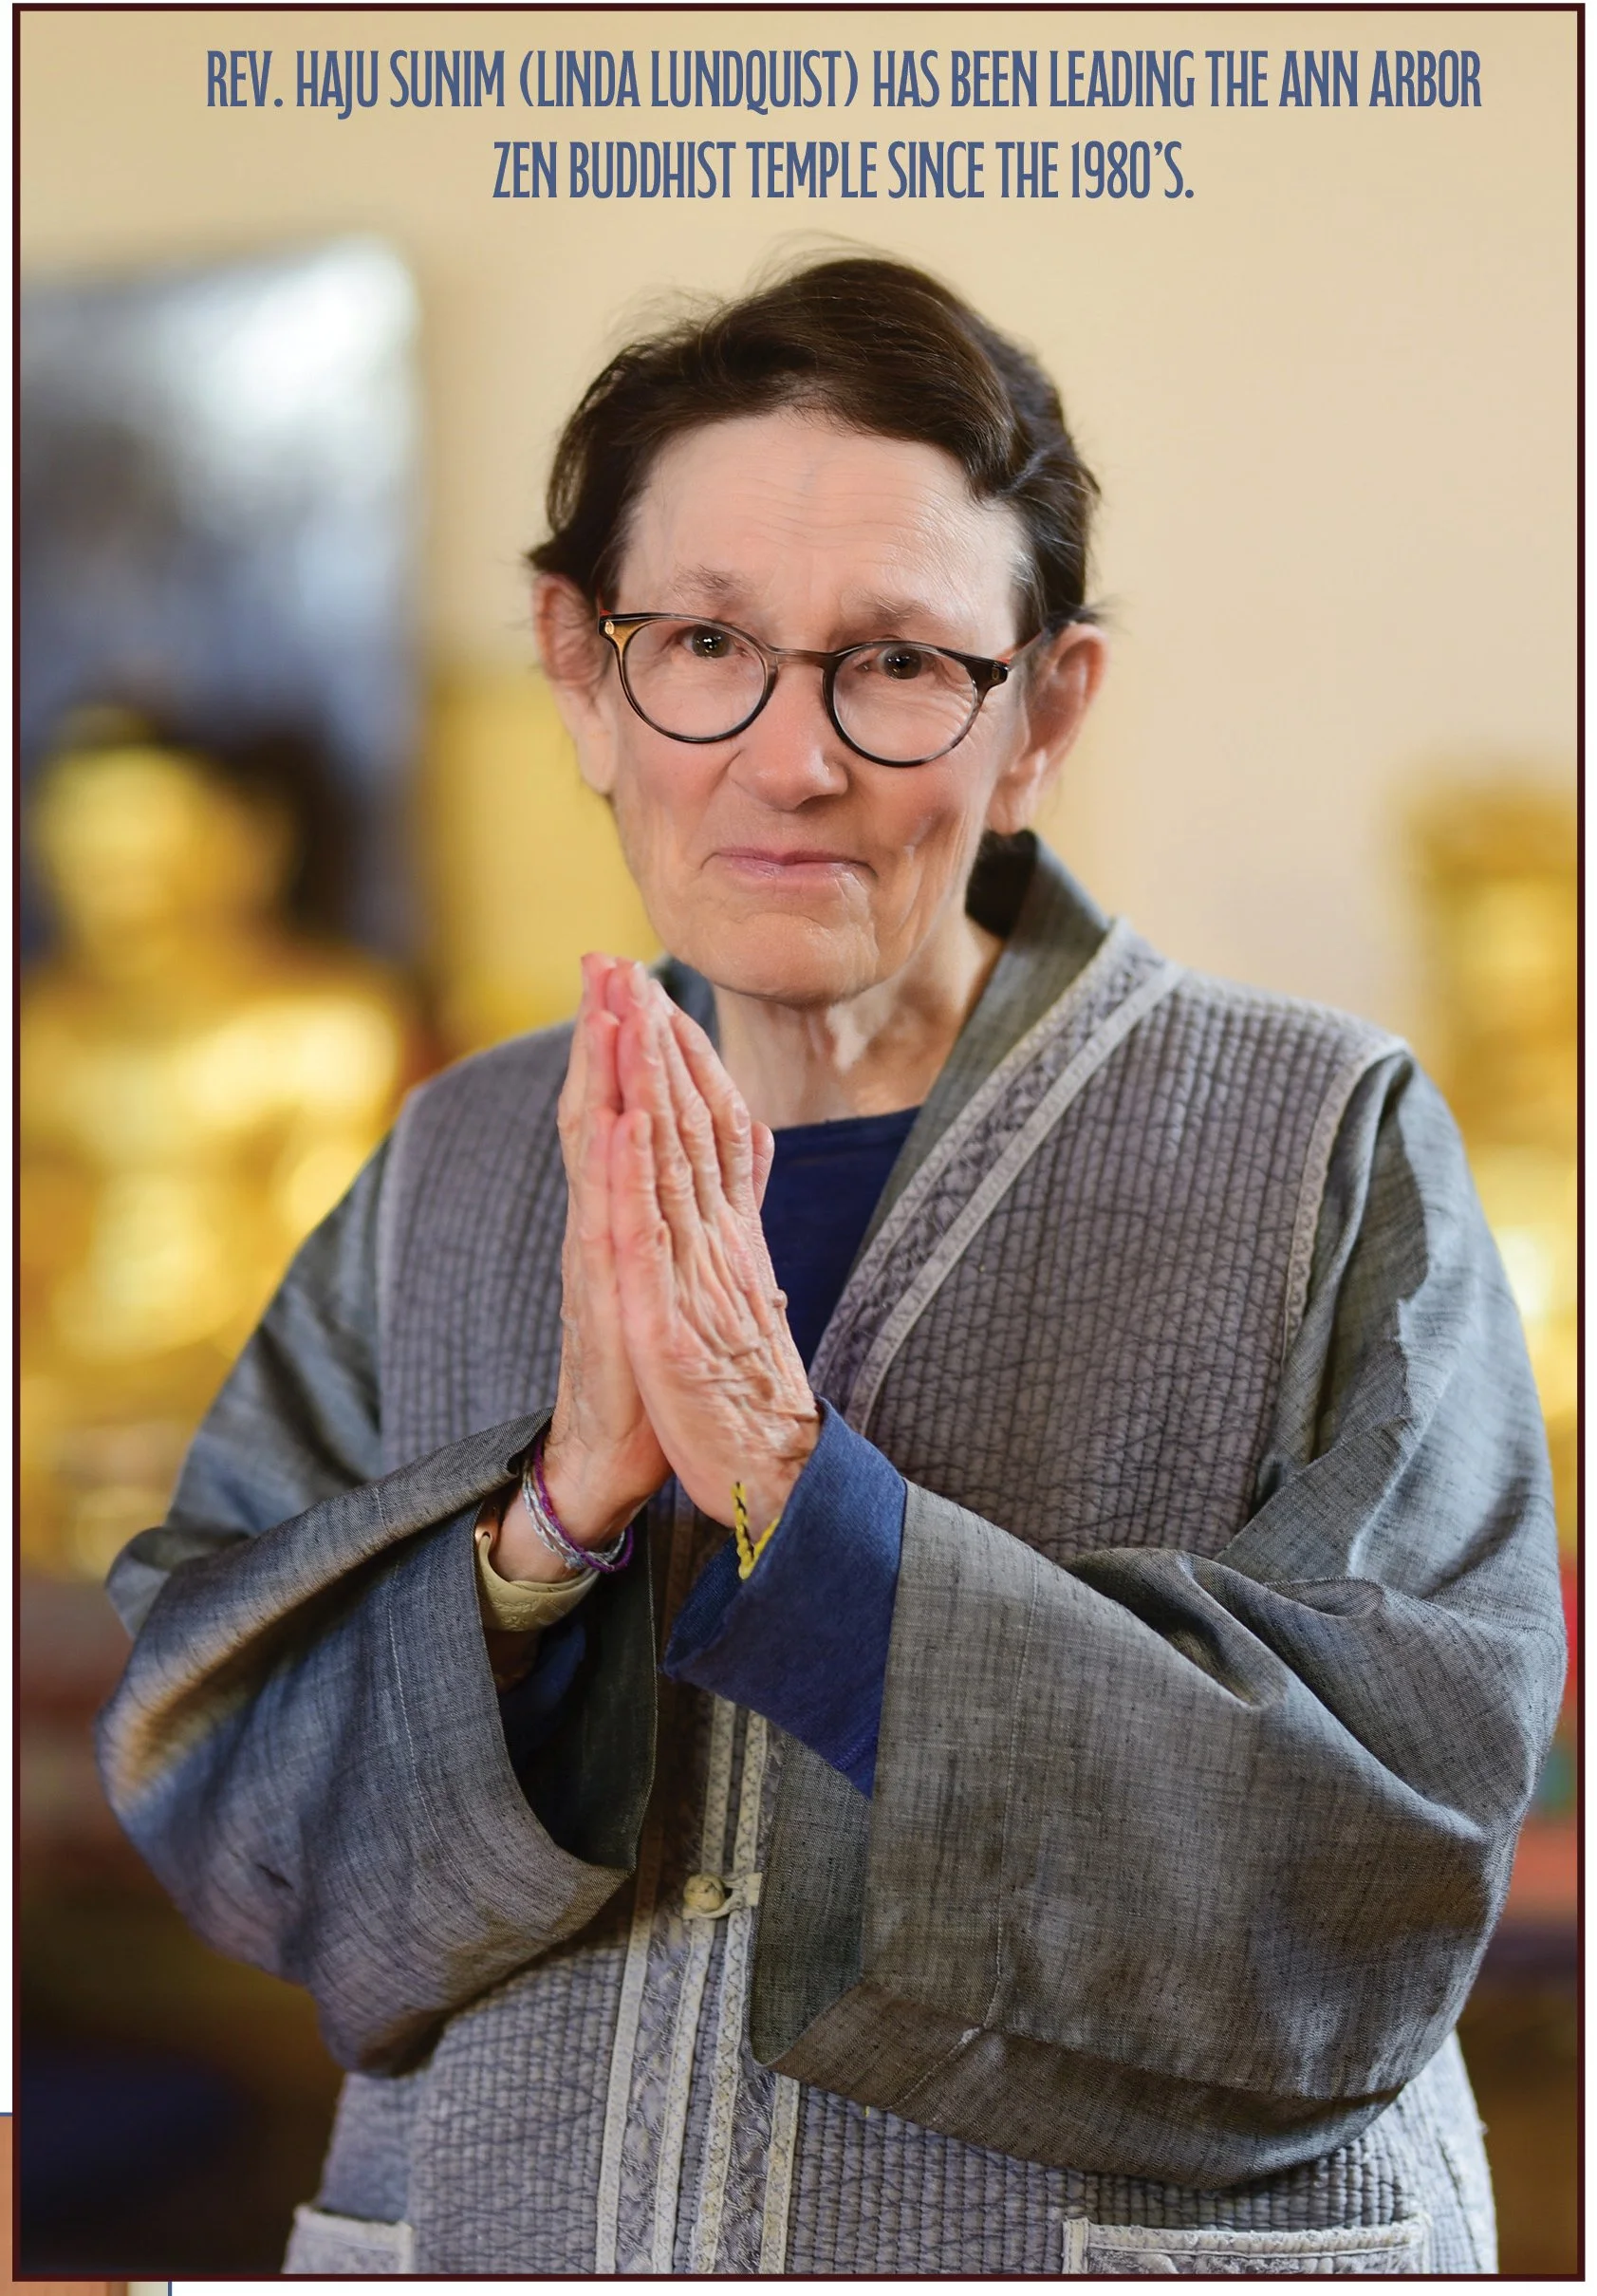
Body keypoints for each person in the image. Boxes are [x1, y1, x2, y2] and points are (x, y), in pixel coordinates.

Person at [97, 256, 1563, 2277]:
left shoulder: (1319, 1139)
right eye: (703, 641)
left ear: (1044, 709)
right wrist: (548, 1528)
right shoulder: (448, 1160)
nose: (789, 761)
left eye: (893, 666)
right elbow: (234, 1796)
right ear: (578, 673)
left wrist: (808, 1502)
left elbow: (1386, 1852)